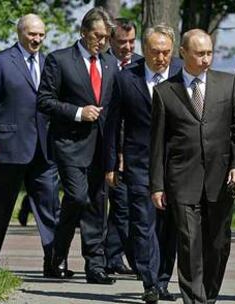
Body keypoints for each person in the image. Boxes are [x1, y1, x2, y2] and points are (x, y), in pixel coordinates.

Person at [150, 29, 235, 304]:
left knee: (218, 245)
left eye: (209, 53)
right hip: (182, 180)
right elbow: (158, 143)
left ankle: (209, 295)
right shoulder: (164, 92)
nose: (206, 59)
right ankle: (194, 300)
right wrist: (157, 185)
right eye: (200, 53)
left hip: (221, 180)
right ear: (183, 53)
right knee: (189, 245)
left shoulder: (229, 84)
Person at [37, 7, 117, 284]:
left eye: (106, 37)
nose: (103, 41)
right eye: (98, 36)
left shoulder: (110, 63)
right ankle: (56, 255)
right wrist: (78, 112)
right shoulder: (59, 60)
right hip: (69, 143)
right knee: (77, 197)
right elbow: (44, 101)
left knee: (97, 203)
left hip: (101, 146)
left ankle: (95, 266)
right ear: (83, 33)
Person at [0, 14, 62, 277]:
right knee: (0, 208)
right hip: (9, 148)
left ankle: (53, 262)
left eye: (41, 34)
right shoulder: (0, 62)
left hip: (44, 150)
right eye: (32, 34)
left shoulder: (50, 63)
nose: (37, 39)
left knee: (50, 207)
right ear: (20, 33)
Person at [105, 24, 182, 303]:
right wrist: (111, 164)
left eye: (166, 52)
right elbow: (113, 124)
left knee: (168, 226)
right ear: (144, 50)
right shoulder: (126, 78)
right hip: (139, 160)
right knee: (142, 222)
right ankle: (149, 281)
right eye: (154, 51)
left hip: (176, 163)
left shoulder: (181, 73)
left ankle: (163, 281)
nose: (161, 58)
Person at [104, 17, 142, 276]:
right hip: (106, 145)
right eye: (122, 42)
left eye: (131, 41)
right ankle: (124, 259)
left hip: (135, 148)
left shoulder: (142, 65)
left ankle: (112, 257)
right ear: (110, 41)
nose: (128, 47)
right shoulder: (103, 64)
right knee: (119, 205)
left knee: (124, 205)